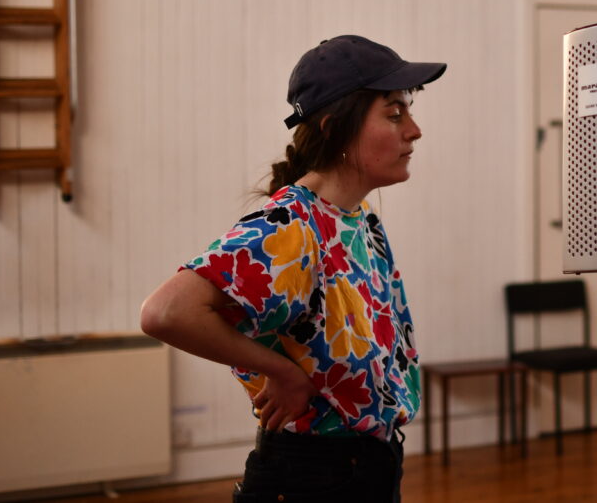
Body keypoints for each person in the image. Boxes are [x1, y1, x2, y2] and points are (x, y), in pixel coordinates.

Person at [140, 35, 446, 502]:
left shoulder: (359, 223)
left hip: (369, 465)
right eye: (394, 113)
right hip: (315, 477)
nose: (414, 130)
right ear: (334, 128)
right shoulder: (291, 226)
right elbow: (166, 312)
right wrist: (280, 373)